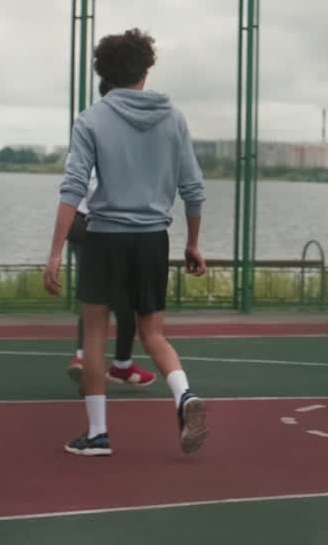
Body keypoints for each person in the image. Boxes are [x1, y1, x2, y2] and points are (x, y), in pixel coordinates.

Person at [43, 28, 209, 456]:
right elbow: (193, 188)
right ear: (146, 69)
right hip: (153, 239)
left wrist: (56, 251)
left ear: (104, 72)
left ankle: (98, 434)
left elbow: (73, 189)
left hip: (105, 239)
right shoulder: (174, 119)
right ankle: (185, 396)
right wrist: (193, 242)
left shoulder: (91, 119)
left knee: (95, 334)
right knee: (153, 333)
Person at [66, 78, 157, 391]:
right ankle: (120, 365)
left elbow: (74, 181)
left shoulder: (87, 122)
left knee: (94, 300)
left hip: (78, 221)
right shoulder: (120, 131)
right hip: (104, 224)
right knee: (125, 303)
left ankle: (83, 357)